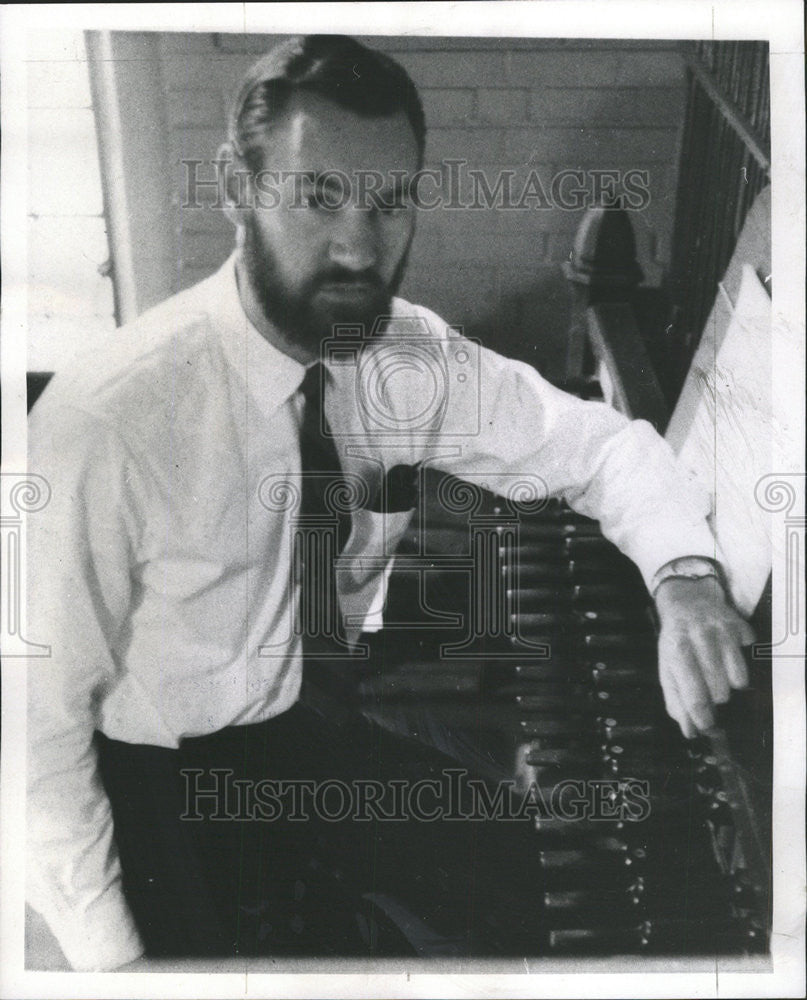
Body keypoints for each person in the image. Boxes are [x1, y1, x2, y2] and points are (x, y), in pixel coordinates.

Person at [26, 34, 754, 971]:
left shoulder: (403, 356)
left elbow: (599, 444)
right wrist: (114, 964)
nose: (360, 246)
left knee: (536, 873)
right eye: (319, 197)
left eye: (389, 202)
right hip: (159, 785)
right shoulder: (106, 421)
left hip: (304, 722)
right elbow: (31, 729)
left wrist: (686, 578)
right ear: (236, 187)